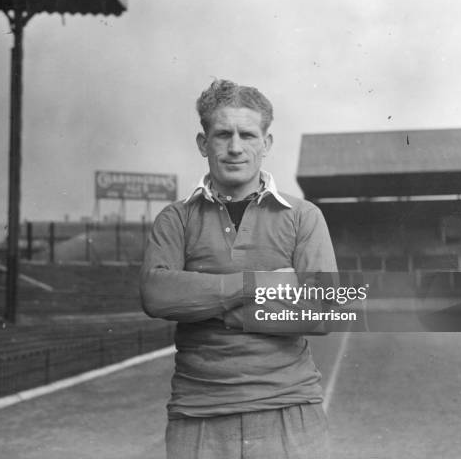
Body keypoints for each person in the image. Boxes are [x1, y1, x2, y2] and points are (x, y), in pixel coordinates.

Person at [140, 79, 337, 458]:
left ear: (266, 143)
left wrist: (206, 300)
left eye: (247, 134)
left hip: (290, 411)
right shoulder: (175, 219)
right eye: (222, 134)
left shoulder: (304, 216)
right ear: (203, 143)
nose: (234, 147)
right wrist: (259, 285)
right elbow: (156, 294)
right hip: (198, 416)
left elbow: (323, 311)